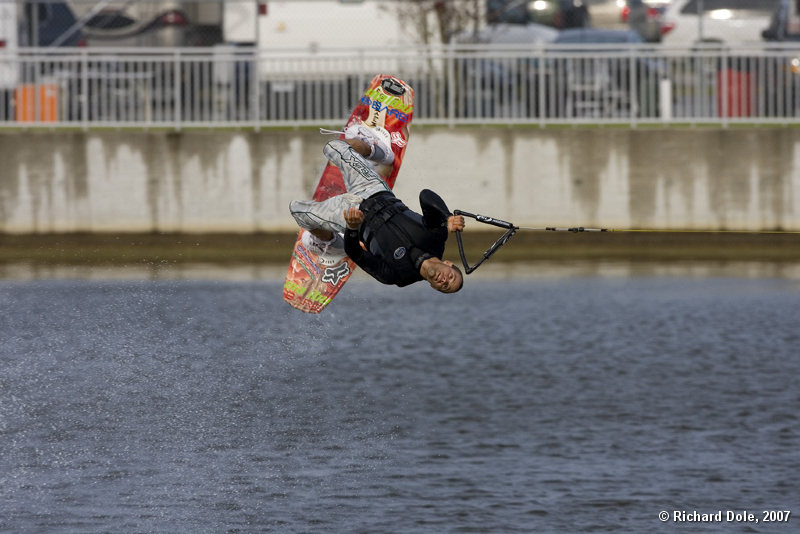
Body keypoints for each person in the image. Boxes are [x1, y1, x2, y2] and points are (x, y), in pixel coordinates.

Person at [289, 127, 465, 293]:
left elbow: (356, 254)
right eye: (451, 277)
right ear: (448, 263)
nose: (445, 281)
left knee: (297, 210)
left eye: (445, 287)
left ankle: (331, 242)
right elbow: (425, 195)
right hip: (373, 189)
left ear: (435, 288)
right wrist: (446, 216)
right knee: (334, 147)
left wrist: (351, 227)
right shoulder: (437, 237)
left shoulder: (398, 276)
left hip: (350, 216)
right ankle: (377, 150)